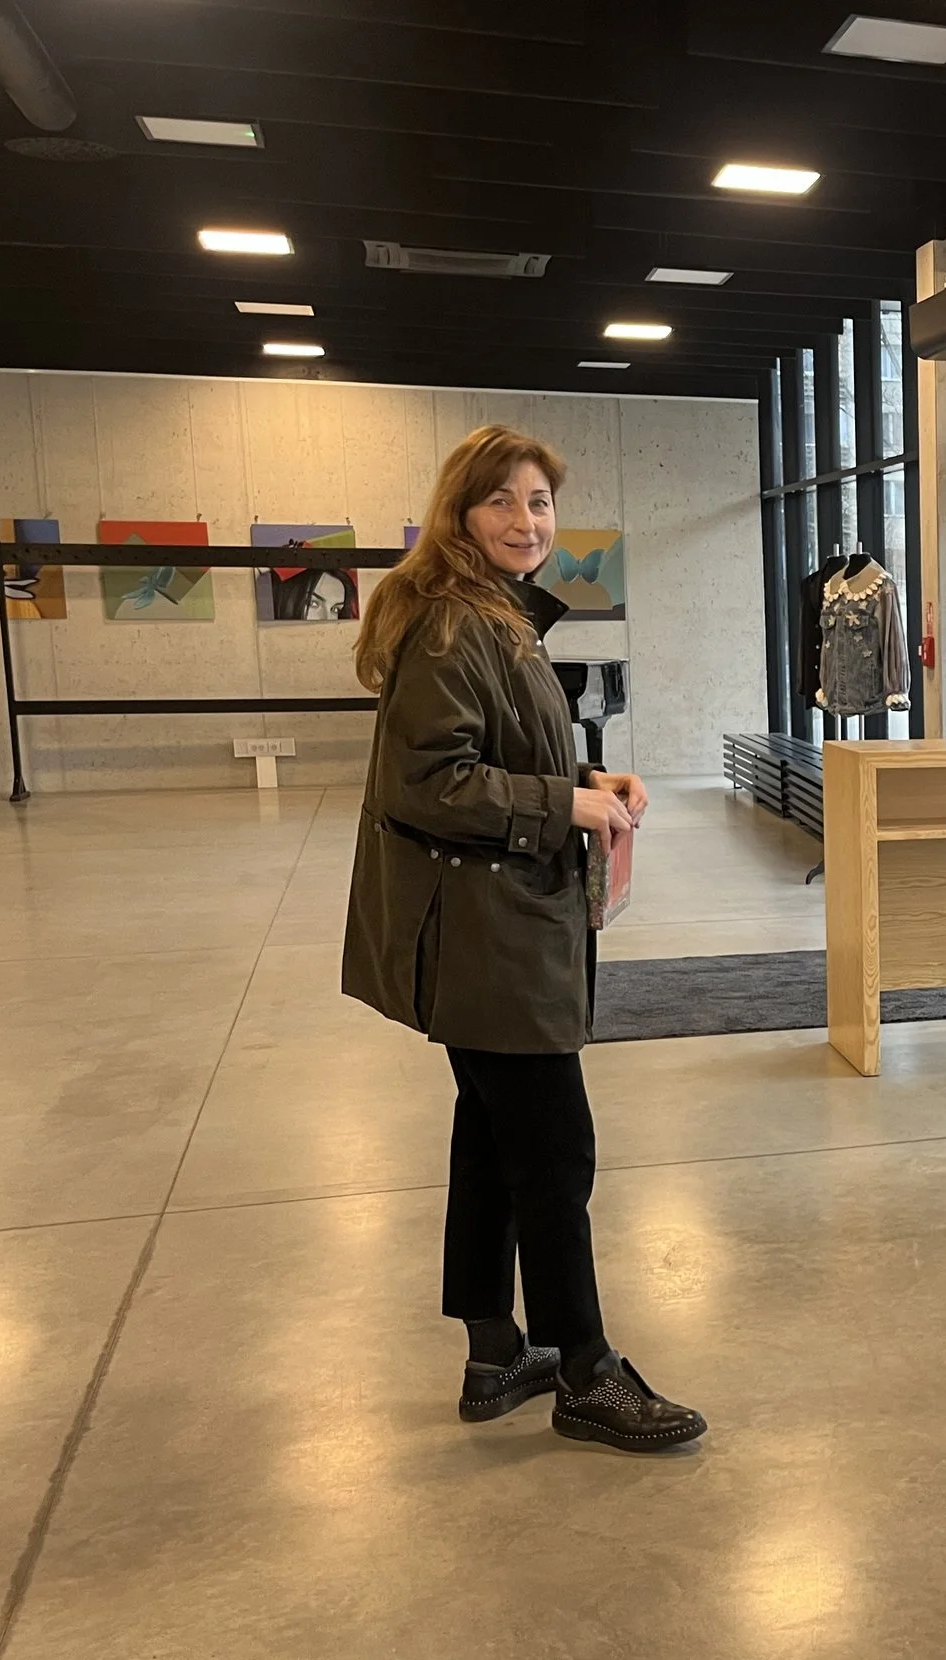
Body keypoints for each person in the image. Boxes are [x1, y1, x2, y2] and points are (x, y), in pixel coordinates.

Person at [343, 423, 707, 1454]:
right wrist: (563, 804)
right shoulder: (457, 626)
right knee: (553, 1150)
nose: (526, 519)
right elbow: (430, 782)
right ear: (460, 513)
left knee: (491, 1137)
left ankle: (496, 1347)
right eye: (502, 500)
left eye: (540, 501)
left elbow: (492, 757)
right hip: (486, 932)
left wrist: (591, 785)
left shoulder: (489, 619)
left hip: (493, 926)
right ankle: (585, 1370)